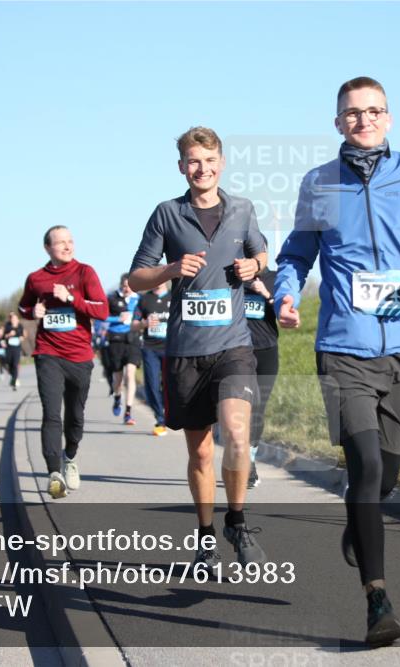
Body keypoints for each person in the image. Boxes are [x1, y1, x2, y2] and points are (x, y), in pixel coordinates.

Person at [275, 76, 400, 648]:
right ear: (338, 124)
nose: (363, 121)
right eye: (352, 114)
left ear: (389, 117)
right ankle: (377, 600)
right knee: (363, 462)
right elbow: (297, 253)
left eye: (373, 111)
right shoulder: (320, 184)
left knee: (384, 474)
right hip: (343, 347)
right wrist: (285, 293)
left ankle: (363, 522)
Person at [128, 126, 268, 572]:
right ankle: (205, 536)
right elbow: (136, 278)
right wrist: (170, 269)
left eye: (209, 161)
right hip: (186, 352)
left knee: (238, 433)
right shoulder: (166, 214)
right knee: (202, 452)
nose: (201, 169)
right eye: (193, 161)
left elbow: (262, 253)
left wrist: (253, 265)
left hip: (233, 345)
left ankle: (238, 521)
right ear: (181, 167)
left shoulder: (243, 210)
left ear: (221, 163)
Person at [18, 225, 108, 498]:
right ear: (48, 248)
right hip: (48, 354)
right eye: (61, 243)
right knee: (51, 413)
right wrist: (33, 311)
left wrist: (70, 298)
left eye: (70, 241)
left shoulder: (85, 272)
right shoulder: (36, 278)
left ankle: (70, 456)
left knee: (75, 417)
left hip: (80, 356)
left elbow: (102, 310)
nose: (68, 247)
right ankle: (54, 473)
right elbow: (23, 308)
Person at [243, 263, 279, 489]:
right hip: (239, 351)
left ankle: (251, 459)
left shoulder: (275, 278)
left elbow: (286, 313)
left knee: (258, 408)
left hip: (267, 350)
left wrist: (265, 294)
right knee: (241, 408)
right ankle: (243, 462)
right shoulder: (234, 278)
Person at [105, 274, 141, 426]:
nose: (127, 289)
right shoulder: (112, 298)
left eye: (129, 286)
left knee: (130, 374)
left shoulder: (139, 299)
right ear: (121, 285)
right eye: (124, 286)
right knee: (118, 378)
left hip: (133, 339)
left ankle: (128, 411)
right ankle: (117, 397)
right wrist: (117, 319)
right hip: (116, 339)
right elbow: (101, 316)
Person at [136, 282, 171, 436]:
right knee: (152, 383)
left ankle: (170, 414)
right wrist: (144, 323)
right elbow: (133, 324)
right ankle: (160, 419)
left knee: (171, 384)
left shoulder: (174, 296)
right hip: (150, 347)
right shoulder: (144, 299)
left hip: (171, 347)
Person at [0, 311, 26, 390]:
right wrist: (8, 335)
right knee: (8, 363)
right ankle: (13, 376)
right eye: (12, 318)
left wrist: (22, 338)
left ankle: (14, 381)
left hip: (17, 348)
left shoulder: (20, 326)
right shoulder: (7, 326)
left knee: (15, 364)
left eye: (15, 318)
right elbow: (3, 336)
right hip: (9, 347)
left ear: (17, 319)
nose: (13, 320)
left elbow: (23, 335)